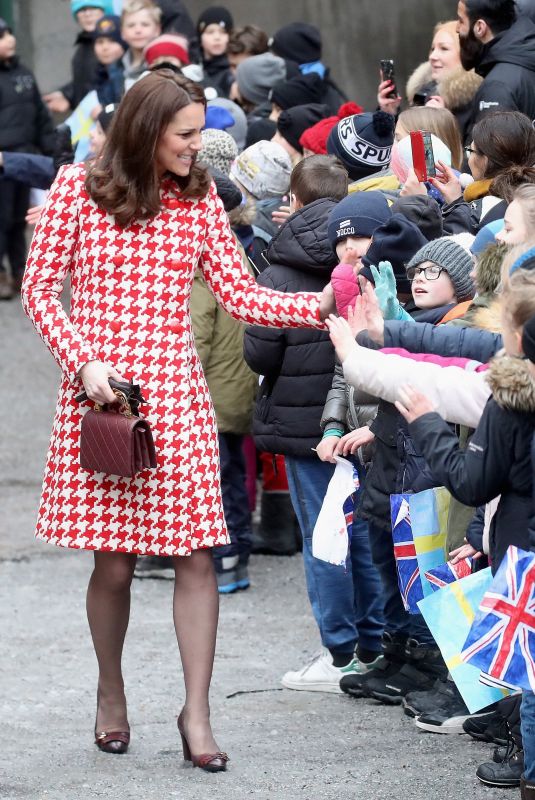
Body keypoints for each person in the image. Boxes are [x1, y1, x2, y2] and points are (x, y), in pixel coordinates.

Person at [21, 69, 332, 770]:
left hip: (177, 397)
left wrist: (324, 308)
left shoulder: (196, 205)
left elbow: (245, 297)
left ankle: (196, 711)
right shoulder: (76, 188)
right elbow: (40, 292)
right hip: (101, 396)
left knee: (198, 554)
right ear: (146, 130)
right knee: (115, 562)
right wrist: (84, 363)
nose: (199, 146)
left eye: (202, 133)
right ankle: (110, 691)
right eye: (187, 133)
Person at [244, 156, 385, 691]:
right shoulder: (369, 251)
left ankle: (340, 652)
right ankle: (376, 645)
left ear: (294, 201)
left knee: (324, 540)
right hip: (367, 415)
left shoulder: (277, 270)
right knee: (366, 536)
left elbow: (258, 354)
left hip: (306, 431)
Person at [0, 17, 55, 301]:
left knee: (20, 219)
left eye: (9, 33)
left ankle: (21, 271)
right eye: (1, 36)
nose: (9, 39)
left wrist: (51, 150)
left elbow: (41, 116)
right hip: (1, 160)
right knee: (2, 219)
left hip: (25, 157)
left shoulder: (24, 74)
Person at [435, 110, 535, 233]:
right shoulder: (527, 196)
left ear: (486, 160)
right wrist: (456, 202)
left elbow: (440, 250)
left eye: (470, 151)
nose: (469, 159)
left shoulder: (483, 210)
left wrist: (419, 204)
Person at [456, 0, 535, 140]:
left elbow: (491, 157)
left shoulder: (497, 86)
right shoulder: (525, 59)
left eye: (461, 21)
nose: (457, 28)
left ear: (480, 28)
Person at [44, 1, 106, 114]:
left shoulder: (114, 44)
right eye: (82, 10)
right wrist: (65, 94)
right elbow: (85, 80)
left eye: (93, 8)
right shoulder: (83, 45)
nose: (87, 14)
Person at [121, 0, 161, 89]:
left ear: (157, 30)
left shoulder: (164, 64)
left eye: (145, 24)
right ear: (122, 32)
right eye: (131, 25)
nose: (138, 30)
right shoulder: (116, 67)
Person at [196, 5, 234, 98]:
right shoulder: (193, 66)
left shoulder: (232, 72)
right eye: (210, 32)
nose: (217, 37)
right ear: (200, 37)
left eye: (223, 32)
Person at [92, 15, 127, 106]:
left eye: (112, 41)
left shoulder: (126, 74)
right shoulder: (100, 72)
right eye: (100, 42)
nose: (105, 47)